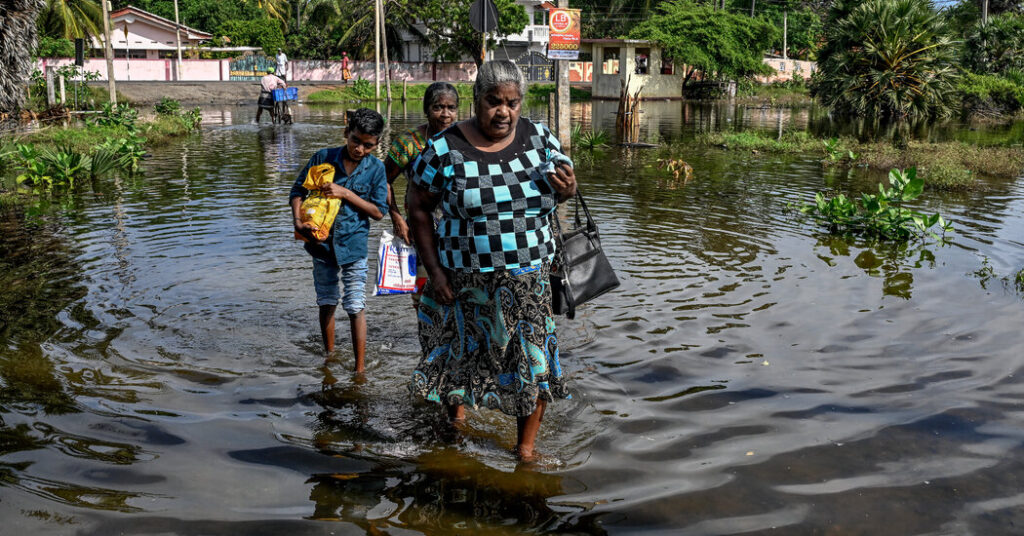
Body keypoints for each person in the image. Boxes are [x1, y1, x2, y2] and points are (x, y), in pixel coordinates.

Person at [406, 61, 577, 461]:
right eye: (494, 101)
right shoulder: (444, 148)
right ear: (476, 100)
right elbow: (417, 208)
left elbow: (563, 189)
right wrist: (435, 271)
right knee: (456, 359)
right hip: (463, 283)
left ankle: (525, 452)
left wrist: (569, 190)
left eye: (512, 103)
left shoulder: (539, 137)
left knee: (532, 363)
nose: (504, 111)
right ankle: (455, 427)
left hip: (527, 279)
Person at [290, 108, 389, 373]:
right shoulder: (323, 158)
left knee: (355, 305)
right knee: (327, 301)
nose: (360, 149)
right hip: (320, 244)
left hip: (354, 245)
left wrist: (345, 193)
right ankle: (329, 357)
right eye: (356, 141)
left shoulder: (376, 169)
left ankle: (359, 369)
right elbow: (298, 190)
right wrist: (298, 222)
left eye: (368, 145)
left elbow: (379, 212)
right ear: (347, 133)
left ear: (376, 143)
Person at [384, 82, 459, 305]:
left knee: (458, 293)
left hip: (457, 229)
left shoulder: (464, 139)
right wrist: (396, 217)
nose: (445, 114)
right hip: (421, 226)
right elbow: (383, 181)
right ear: (427, 109)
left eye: (451, 108)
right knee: (425, 294)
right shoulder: (408, 142)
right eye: (438, 107)